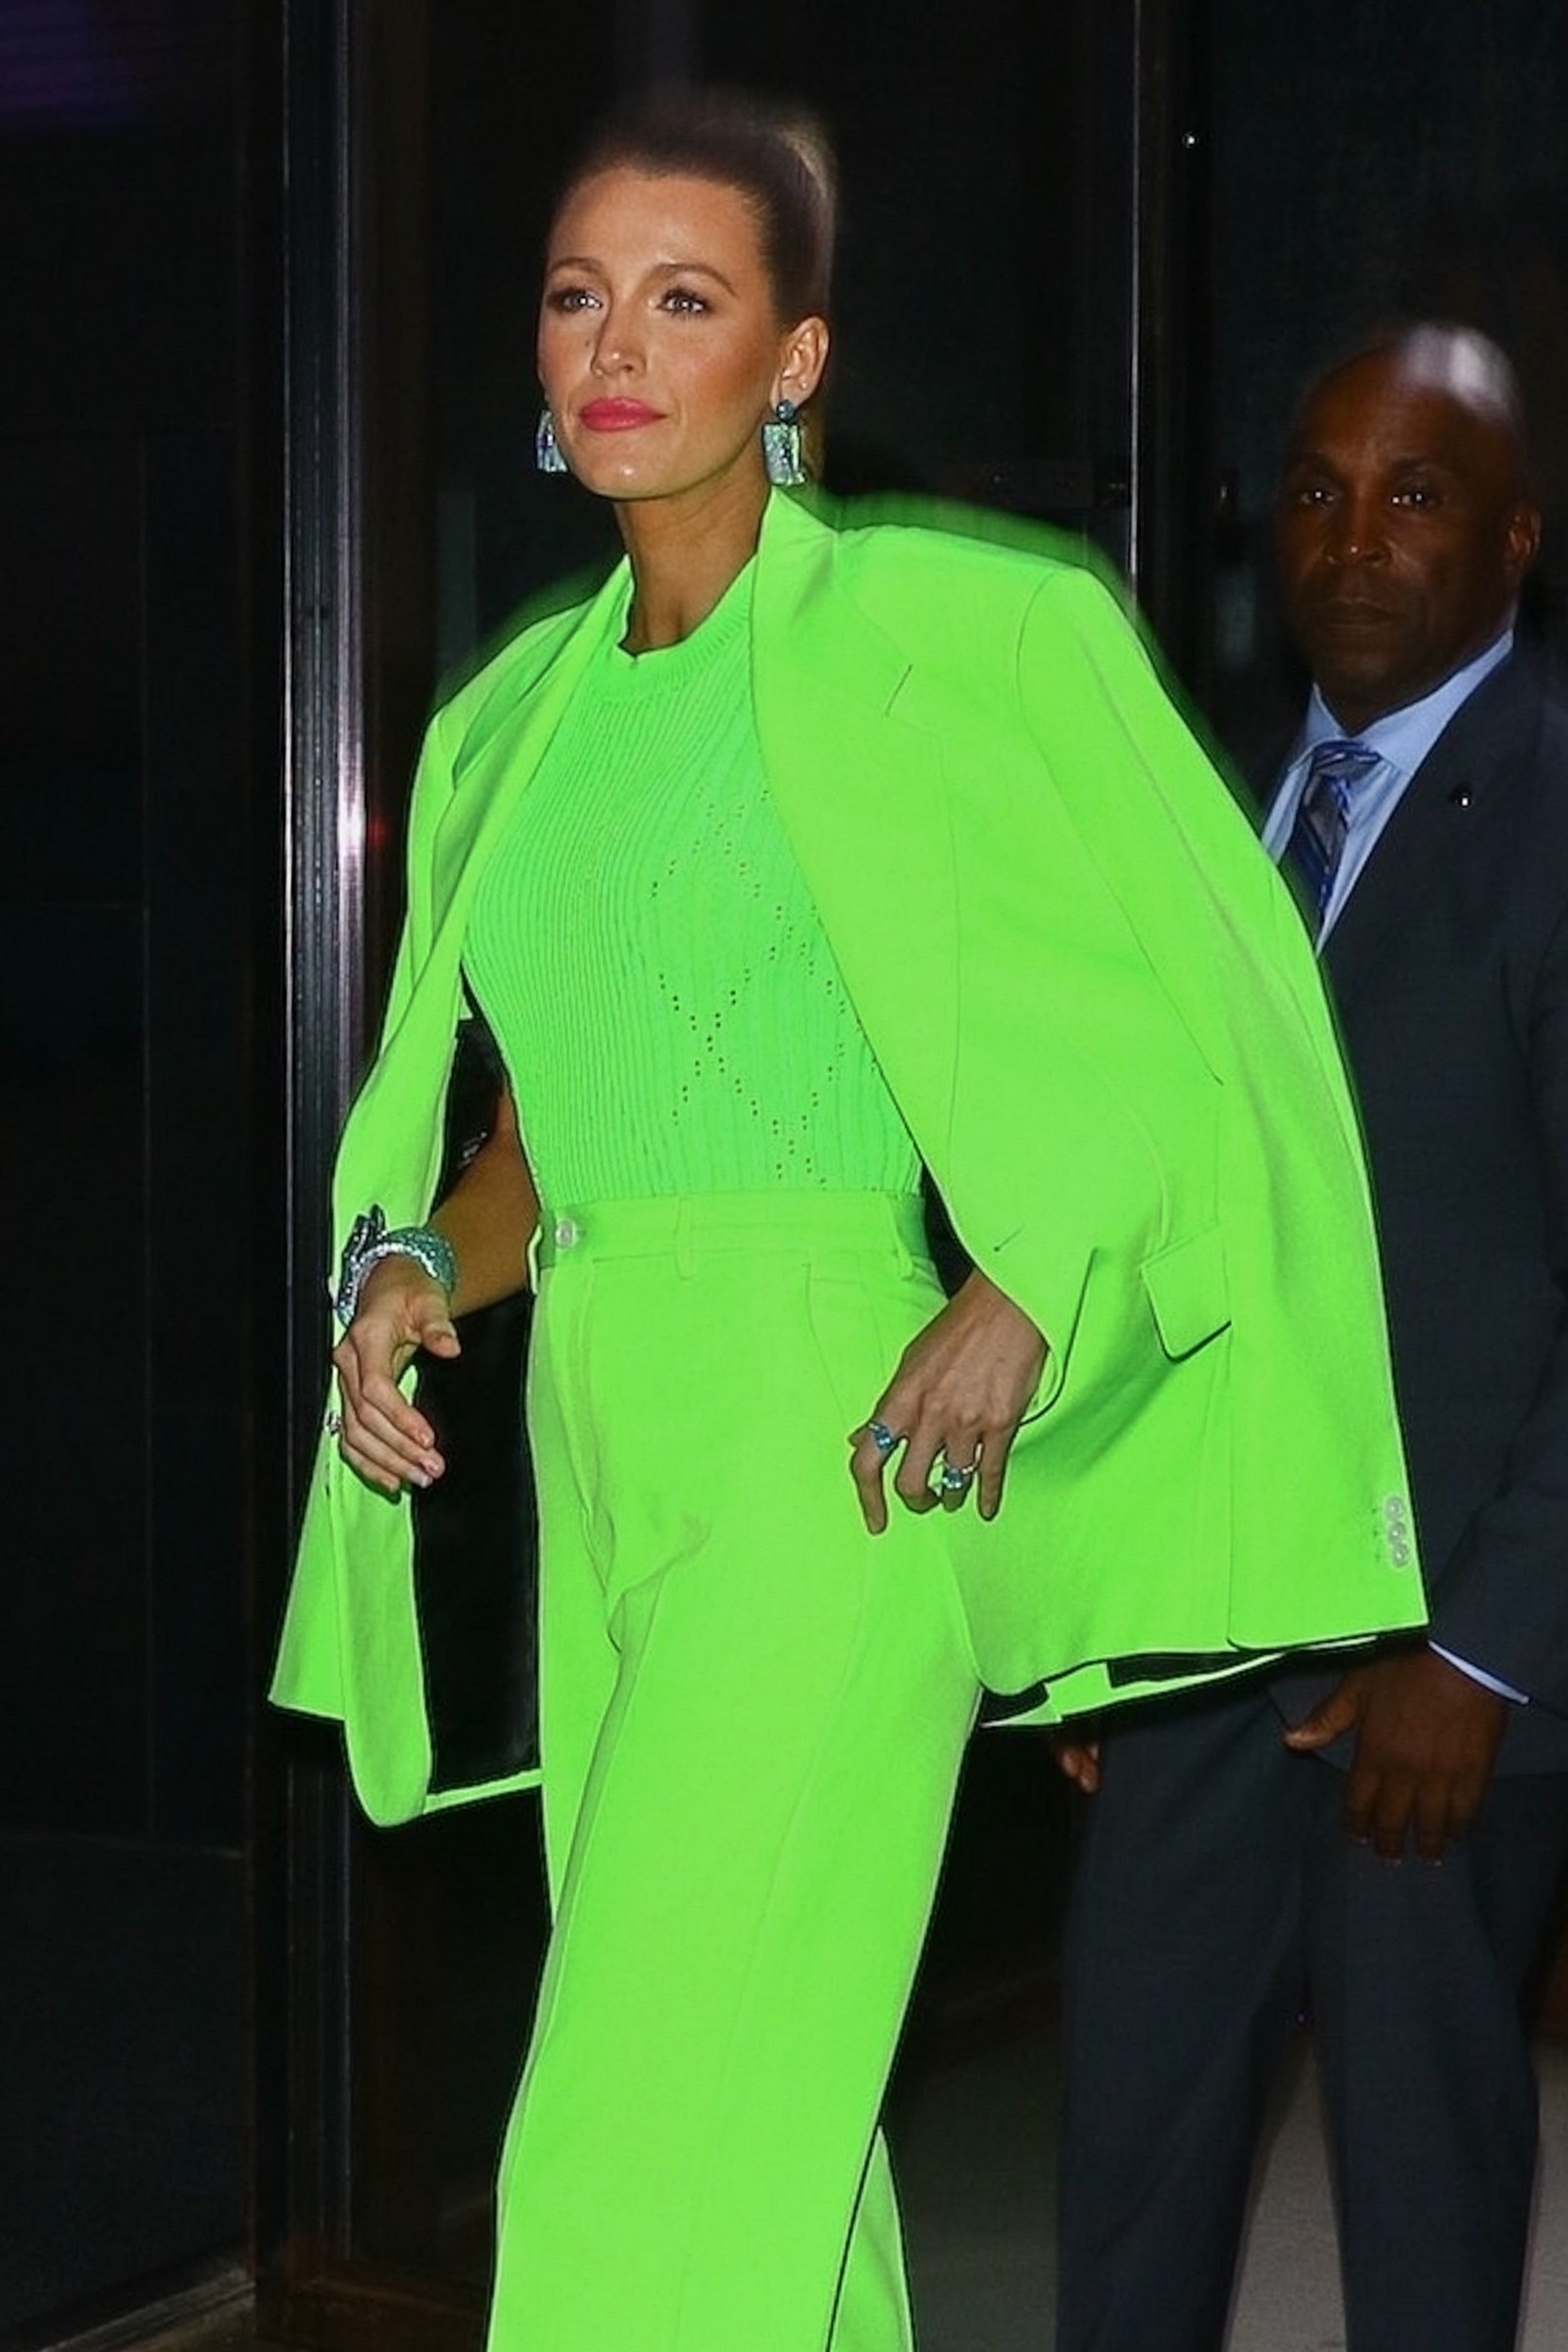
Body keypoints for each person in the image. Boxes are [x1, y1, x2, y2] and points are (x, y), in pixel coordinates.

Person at [270, 90, 1421, 2352]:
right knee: (765, 2150)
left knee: (621, 2152)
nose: (616, 345)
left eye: (682, 298)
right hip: (601, 1452)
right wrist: (411, 1269)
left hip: (832, 1454)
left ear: (792, 357)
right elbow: (546, 1151)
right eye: (578, 297)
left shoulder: (965, 632)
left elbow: (1206, 1013)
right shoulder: (508, 723)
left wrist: (1033, 1278)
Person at [1054, 323, 1568, 2352]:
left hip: (1439, 1676)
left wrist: (1485, 1649)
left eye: (1415, 494)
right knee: (1129, 2169)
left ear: (1515, 540)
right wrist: (1103, 1596)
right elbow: (1153, 1205)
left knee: (1420, 2209)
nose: (1354, 539)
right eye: (1315, 494)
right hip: (1199, 1637)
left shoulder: (1551, 811)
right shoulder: (1217, 810)